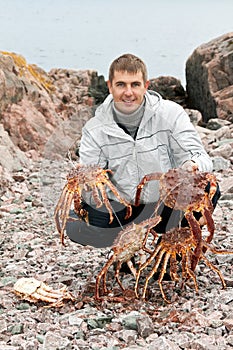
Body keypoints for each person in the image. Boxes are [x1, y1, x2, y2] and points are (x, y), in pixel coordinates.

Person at [66, 53, 220, 248]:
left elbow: (199, 156)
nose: (128, 92)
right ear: (110, 86)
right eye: (121, 84)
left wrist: (192, 165)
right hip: (121, 209)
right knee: (78, 225)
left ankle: (177, 243)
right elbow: (90, 177)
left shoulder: (170, 114)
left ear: (146, 86)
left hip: (165, 203)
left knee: (207, 189)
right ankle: (121, 247)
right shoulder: (94, 129)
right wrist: (86, 181)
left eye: (135, 85)